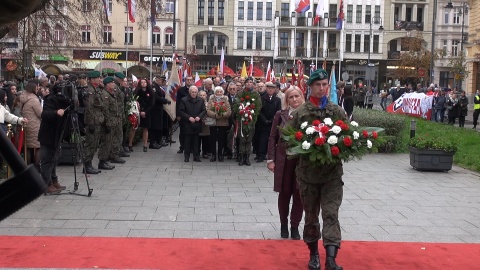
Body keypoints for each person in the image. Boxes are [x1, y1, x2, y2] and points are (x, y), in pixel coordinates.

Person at [286, 69, 345, 270]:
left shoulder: (337, 111)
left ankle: (331, 259)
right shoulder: (300, 113)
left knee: (331, 214)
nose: (322, 88)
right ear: (310, 87)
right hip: (308, 176)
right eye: (317, 85)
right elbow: (289, 142)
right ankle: (313, 256)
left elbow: (347, 138)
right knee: (311, 216)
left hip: (332, 175)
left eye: (324, 84)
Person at [267, 86, 304, 240]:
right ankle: (283, 225)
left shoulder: (308, 115)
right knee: (284, 194)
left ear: (302, 97)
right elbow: (272, 138)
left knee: (299, 195)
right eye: (291, 97)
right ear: (286, 100)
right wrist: (271, 159)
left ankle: (294, 226)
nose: (294, 99)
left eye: (297, 96)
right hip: (284, 161)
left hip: (301, 162)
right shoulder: (280, 115)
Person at [38, 81, 70, 194]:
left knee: (54, 159)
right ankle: (46, 184)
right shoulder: (50, 100)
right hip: (48, 135)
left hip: (57, 135)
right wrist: (56, 112)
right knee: (47, 160)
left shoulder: (63, 101)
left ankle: (53, 180)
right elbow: (45, 114)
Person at [83, 71, 109, 173]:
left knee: (94, 144)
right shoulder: (90, 90)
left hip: (97, 120)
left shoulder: (96, 89)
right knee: (91, 144)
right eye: (98, 78)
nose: (100, 80)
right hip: (93, 121)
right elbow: (89, 108)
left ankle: (89, 165)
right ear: (92, 79)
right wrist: (91, 123)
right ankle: (87, 166)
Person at [178, 86, 206, 162]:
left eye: (195, 92)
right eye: (192, 92)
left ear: (197, 93)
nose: (194, 94)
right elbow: (181, 111)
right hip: (187, 123)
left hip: (197, 123)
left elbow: (204, 110)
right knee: (187, 141)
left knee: (196, 141)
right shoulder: (184, 100)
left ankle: (196, 156)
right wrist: (188, 118)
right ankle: (186, 156)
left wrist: (199, 117)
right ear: (189, 92)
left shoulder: (200, 100)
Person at [256, 82, 281, 163]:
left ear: (275, 90)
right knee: (262, 139)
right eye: (269, 88)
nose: (270, 90)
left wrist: (272, 120)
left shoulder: (277, 100)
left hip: (273, 123)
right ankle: (261, 155)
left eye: (272, 88)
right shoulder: (262, 98)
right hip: (263, 123)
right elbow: (259, 110)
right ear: (266, 89)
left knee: (271, 139)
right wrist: (264, 120)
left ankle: (269, 155)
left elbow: (278, 111)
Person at [19, 82, 42, 169]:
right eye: (37, 87)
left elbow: (21, 111)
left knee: (28, 146)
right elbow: (40, 113)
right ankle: (36, 167)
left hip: (26, 124)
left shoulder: (23, 97)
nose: (38, 89)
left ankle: (28, 166)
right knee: (38, 146)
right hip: (35, 126)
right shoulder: (34, 99)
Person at [206, 86, 232, 162]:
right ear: (215, 92)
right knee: (212, 139)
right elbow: (208, 110)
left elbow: (229, 111)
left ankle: (220, 155)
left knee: (221, 139)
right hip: (213, 122)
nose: (219, 93)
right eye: (217, 92)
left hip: (222, 122)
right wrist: (214, 115)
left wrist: (222, 115)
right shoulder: (211, 99)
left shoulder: (225, 100)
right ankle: (213, 155)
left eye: (220, 92)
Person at [130, 79, 155, 152]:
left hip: (147, 112)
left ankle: (145, 145)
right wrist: (139, 112)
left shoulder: (150, 92)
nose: (143, 83)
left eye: (145, 82)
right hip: (137, 112)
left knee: (145, 128)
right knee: (134, 128)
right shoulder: (137, 92)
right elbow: (133, 101)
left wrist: (145, 112)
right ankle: (130, 144)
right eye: (142, 82)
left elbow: (152, 104)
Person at [176, 75, 193, 154]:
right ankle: (182, 147)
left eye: (190, 80)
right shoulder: (181, 90)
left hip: (192, 114)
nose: (189, 81)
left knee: (192, 132)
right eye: (187, 80)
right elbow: (178, 102)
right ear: (185, 81)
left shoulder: (195, 90)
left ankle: (191, 148)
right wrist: (178, 114)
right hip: (183, 114)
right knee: (182, 132)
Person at [198, 90, 210, 158]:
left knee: (206, 139)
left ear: (206, 96)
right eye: (201, 95)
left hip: (206, 123)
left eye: (203, 95)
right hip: (198, 123)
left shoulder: (208, 104)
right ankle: (197, 151)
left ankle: (205, 152)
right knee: (198, 139)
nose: (202, 96)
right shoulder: (196, 103)